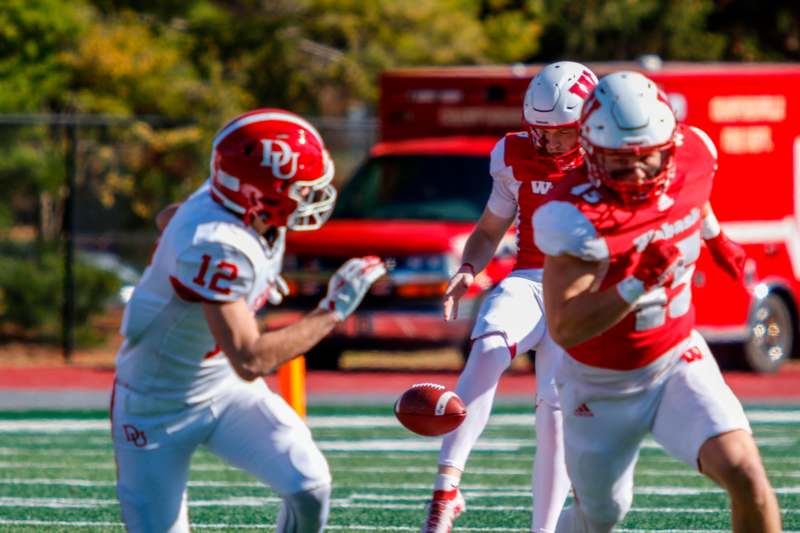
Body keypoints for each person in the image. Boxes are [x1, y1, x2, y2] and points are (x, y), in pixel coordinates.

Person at [111, 108, 386, 532]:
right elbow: (251, 359)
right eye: (300, 189)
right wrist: (331, 312)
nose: (312, 196)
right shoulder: (218, 244)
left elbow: (169, 217)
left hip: (223, 388)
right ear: (262, 194)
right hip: (155, 405)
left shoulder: (231, 201)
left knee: (308, 484)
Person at [533, 71, 781, 533]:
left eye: (648, 158)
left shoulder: (694, 153)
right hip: (598, 385)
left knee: (746, 472)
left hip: (675, 359)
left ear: (670, 144)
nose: (639, 173)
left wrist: (717, 238)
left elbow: (693, 198)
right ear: (590, 152)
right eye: (621, 163)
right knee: (601, 517)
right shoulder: (573, 215)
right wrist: (636, 280)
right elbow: (565, 326)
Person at [420, 61, 598, 533]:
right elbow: (487, 231)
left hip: (578, 293)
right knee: (489, 343)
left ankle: (542, 529)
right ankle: (445, 490)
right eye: (539, 130)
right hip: (529, 280)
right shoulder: (513, 154)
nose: (548, 141)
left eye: (560, 131)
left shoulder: (607, 157)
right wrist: (467, 268)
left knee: (554, 415)